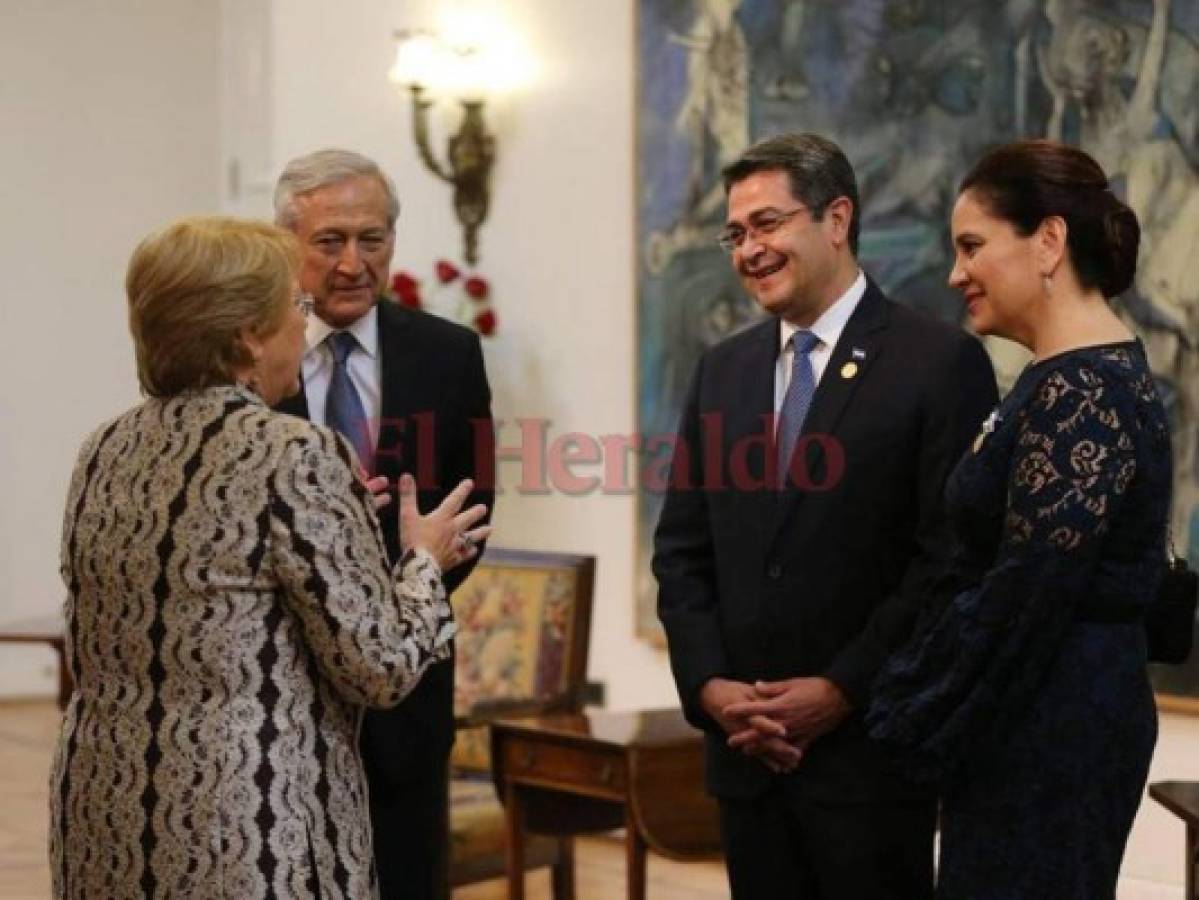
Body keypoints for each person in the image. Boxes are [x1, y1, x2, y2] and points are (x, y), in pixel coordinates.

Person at [49, 217, 491, 899]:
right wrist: (423, 562)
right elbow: (381, 668)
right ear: (246, 337)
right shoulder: (295, 452)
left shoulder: (102, 448)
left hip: (104, 802)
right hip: (241, 816)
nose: (303, 326)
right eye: (296, 307)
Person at [653, 132, 998, 899]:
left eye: (768, 224)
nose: (749, 250)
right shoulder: (722, 370)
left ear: (836, 218)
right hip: (746, 762)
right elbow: (682, 550)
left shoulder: (937, 362)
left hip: (869, 762)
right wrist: (710, 686)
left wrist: (841, 687)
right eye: (736, 233)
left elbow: (950, 560)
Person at [867, 140, 1172, 898]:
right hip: (1037, 712)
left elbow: (1024, 594)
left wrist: (909, 706)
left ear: (1048, 241)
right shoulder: (1063, 380)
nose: (954, 273)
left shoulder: (1082, 392)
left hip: (1053, 726)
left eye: (971, 246)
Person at [273, 148, 495, 900]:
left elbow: (473, 505)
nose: (352, 263)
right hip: (281, 688)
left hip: (408, 693)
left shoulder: (448, 353)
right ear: (286, 244)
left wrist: (406, 582)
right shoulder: (247, 357)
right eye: (329, 241)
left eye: (372, 239)